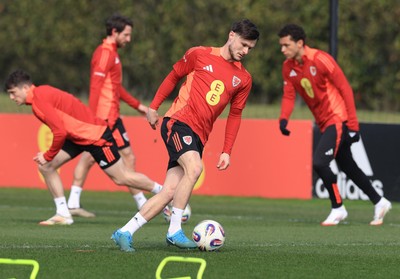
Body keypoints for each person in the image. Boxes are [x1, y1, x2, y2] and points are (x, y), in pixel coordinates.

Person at [110, 19, 260, 252]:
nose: (245, 51)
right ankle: (174, 231)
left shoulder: (244, 79)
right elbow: (173, 76)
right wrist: (154, 107)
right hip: (178, 123)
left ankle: (125, 232)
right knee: (195, 168)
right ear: (231, 35)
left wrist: (227, 151)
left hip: (199, 136)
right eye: (243, 44)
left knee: (169, 191)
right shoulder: (199, 54)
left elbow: (235, 115)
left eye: (250, 48)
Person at [4, 70, 163, 225]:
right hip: (78, 137)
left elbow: (59, 132)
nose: (11, 97)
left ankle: (166, 193)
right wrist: (48, 158)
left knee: (122, 177)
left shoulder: (39, 100)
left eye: (13, 92)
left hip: (96, 137)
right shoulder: (42, 93)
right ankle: (63, 214)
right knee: (46, 167)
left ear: (25, 88)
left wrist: (47, 155)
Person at [277, 23, 391, 226]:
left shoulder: (321, 60)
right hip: (323, 122)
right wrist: (284, 118)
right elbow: (288, 95)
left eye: (286, 45)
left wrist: (354, 125)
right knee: (348, 166)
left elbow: (345, 88)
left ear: (300, 43)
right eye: (281, 45)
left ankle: (338, 207)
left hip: (337, 119)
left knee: (320, 162)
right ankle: (379, 201)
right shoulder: (288, 67)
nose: (282, 49)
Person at [67, 14, 149, 218]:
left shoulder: (112, 53)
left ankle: (73, 203)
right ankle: (143, 203)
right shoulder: (105, 53)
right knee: (90, 158)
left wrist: (139, 106)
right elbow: (95, 87)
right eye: (126, 35)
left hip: (112, 117)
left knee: (123, 156)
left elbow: (116, 88)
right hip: (103, 119)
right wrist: (91, 118)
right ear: (114, 32)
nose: (129, 39)